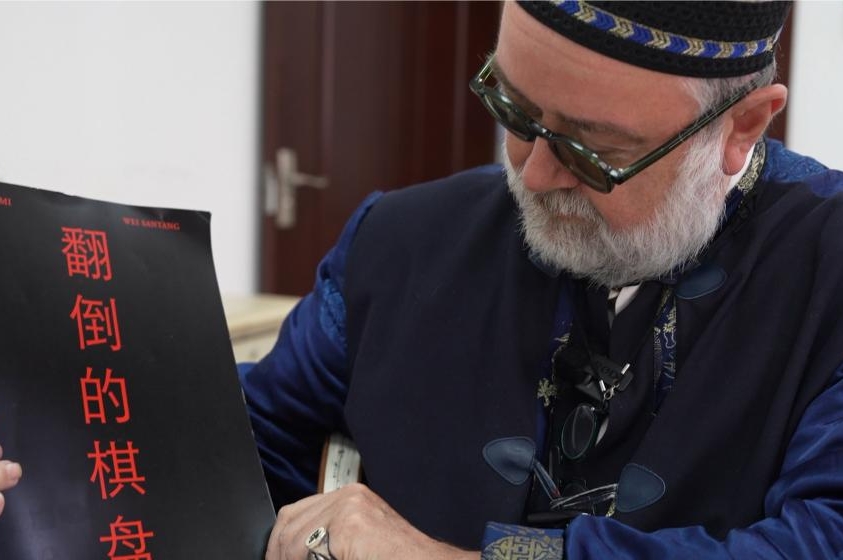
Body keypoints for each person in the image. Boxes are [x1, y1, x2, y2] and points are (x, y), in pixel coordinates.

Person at [4, 1, 843, 558]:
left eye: (594, 151)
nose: (534, 174)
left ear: (742, 125)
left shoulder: (824, 268)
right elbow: (243, 443)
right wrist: (36, 460)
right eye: (514, 111)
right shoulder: (401, 241)